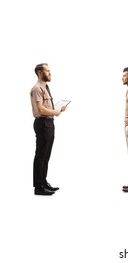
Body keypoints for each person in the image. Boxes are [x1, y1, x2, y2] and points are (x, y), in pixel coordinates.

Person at [30, 63, 66, 196]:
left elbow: (47, 107)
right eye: (47, 71)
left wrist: (57, 109)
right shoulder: (36, 89)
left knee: (46, 156)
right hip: (42, 123)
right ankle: (38, 187)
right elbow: (40, 109)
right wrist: (56, 112)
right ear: (40, 73)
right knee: (40, 156)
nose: (50, 73)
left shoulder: (46, 87)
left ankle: (44, 182)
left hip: (49, 123)